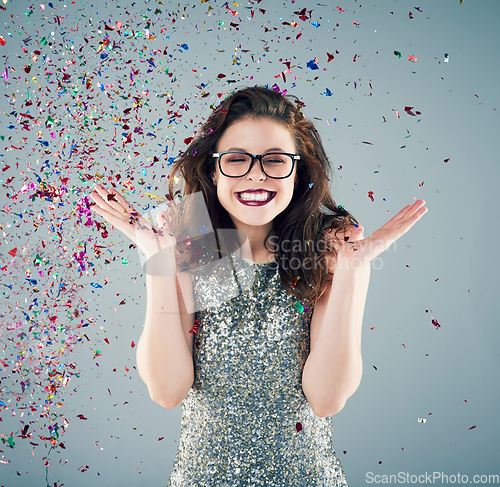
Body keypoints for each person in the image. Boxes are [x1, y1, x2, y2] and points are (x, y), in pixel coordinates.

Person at [89, 85, 428, 486]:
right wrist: (158, 257)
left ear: (298, 170)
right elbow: (167, 391)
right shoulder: (196, 249)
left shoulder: (326, 254)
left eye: (274, 160)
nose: (255, 175)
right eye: (237, 159)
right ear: (214, 171)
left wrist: (354, 272)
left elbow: (325, 399)